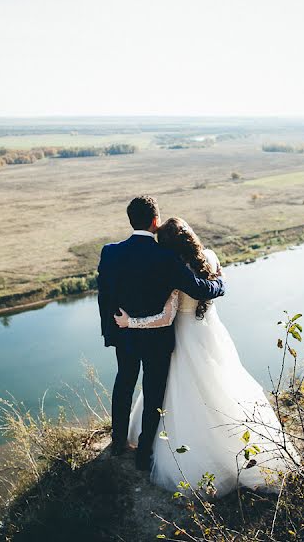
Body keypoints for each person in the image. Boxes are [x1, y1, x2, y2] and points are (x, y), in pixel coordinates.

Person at [116, 217, 298, 495]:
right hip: (211, 334)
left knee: (181, 393)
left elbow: (165, 318)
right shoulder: (211, 257)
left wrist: (131, 322)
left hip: (184, 338)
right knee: (223, 386)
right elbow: (215, 286)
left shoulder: (174, 270)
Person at [97, 196, 225, 471]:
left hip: (125, 336)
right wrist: (221, 284)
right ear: (155, 221)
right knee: (153, 394)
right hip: (158, 340)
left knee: (124, 385)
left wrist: (112, 332)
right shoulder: (167, 258)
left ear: (131, 220)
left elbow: (104, 297)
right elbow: (201, 289)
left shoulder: (110, 252)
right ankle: (144, 454)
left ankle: (118, 442)